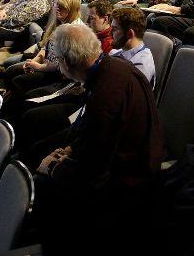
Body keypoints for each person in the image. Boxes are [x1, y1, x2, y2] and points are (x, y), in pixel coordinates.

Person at [32, 24, 162, 251]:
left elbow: (95, 171)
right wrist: (71, 150)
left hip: (127, 180)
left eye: (58, 61)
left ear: (67, 62)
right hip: (125, 159)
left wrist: (55, 168)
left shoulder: (105, 97)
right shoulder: (115, 67)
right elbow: (96, 137)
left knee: (43, 179)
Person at [109, 7, 156, 88]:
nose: (110, 33)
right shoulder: (118, 52)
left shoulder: (140, 67)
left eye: (115, 29)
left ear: (130, 34)